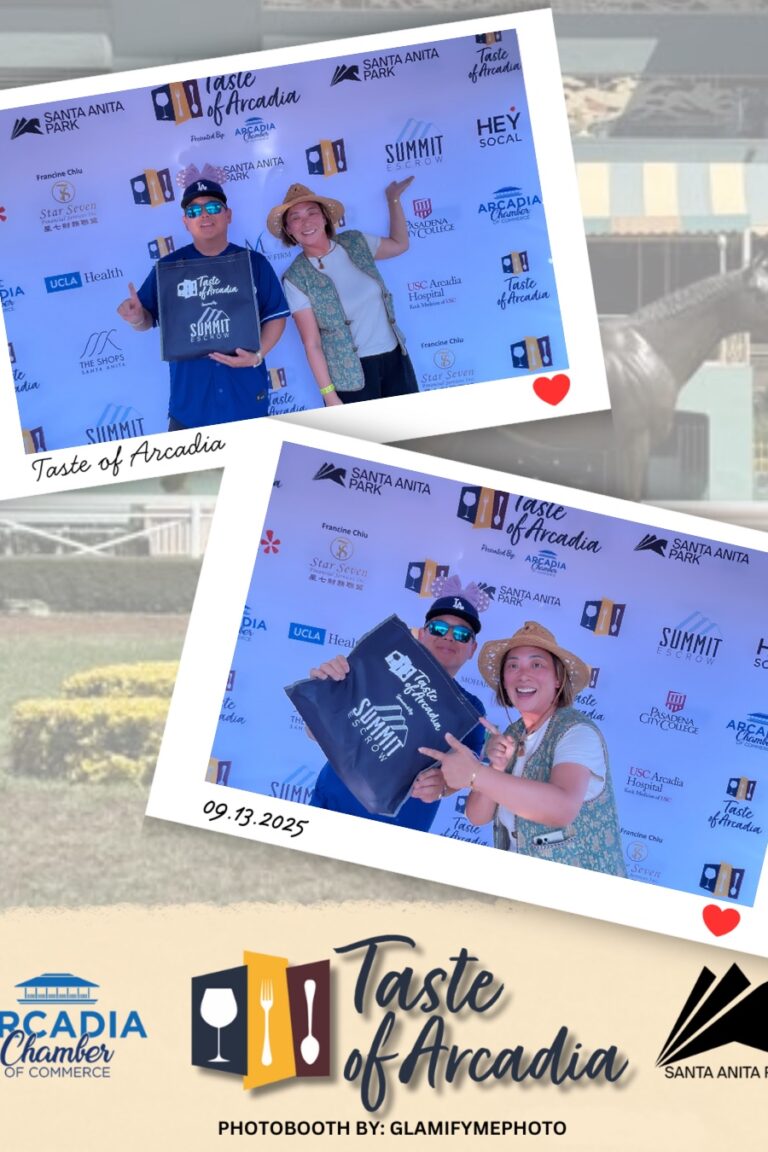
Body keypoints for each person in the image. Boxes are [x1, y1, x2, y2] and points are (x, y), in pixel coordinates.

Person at [420, 620, 626, 875]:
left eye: (536, 664)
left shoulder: (577, 732)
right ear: (505, 682)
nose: (523, 674)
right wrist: (494, 767)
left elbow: (561, 808)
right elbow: (477, 816)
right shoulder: (513, 733)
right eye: (513, 666)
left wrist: (476, 774)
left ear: (558, 678)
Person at [117, 178, 289, 431]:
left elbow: (276, 316)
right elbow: (146, 319)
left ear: (228, 215)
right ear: (185, 222)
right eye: (194, 211)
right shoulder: (168, 268)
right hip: (190, 407)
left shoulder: (254, 263)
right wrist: (136, 318)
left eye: (213, 207)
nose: (204, 215)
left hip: (245, 399)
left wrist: (257, 356)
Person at [307, 594, 487, 832]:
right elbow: (314, 731)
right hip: (331, 808)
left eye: (462, 634)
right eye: (438, 628)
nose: (448, 637)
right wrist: (327, 689)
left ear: (472, 649)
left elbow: (466, 775)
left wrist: (443, 785)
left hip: (401, 828)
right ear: (422, 635)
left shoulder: (472, 711)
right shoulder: (376, 668)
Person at [266, 179, 419, 407]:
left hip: (396, 360)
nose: (305, 222)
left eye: (312, 213)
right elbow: (312, 344)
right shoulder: (296, 277)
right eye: (295, 218)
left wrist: (393, 199)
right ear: (289, 231)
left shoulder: (355, 242)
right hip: (351, 380)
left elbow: (400, 244)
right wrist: (329, 395)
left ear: (325, 217)